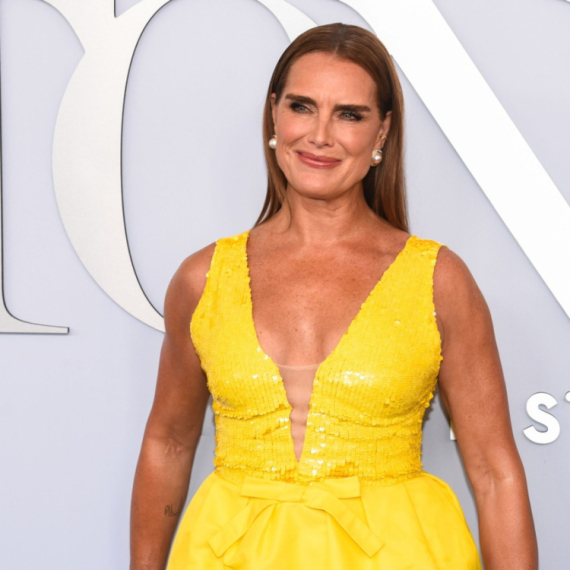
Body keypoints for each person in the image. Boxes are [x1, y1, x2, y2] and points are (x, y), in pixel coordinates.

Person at [130, 23, 538, 570]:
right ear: (274, 115)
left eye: (349, 114)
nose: (320, 135)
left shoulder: (439, 280)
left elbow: (494, 472)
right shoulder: (202, 279)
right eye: (302, 107)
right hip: (230, 555)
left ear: (381, 132)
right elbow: (169, 444)